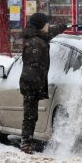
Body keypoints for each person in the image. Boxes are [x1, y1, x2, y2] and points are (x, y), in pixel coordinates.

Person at [19, 13, 67, 154]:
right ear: (41, 25)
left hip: (33, 83)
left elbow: (50, 33)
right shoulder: (35, 43)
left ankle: (27, 142)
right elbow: (31, 66)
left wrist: (63, 27)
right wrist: (34, 86)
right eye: (46, 23)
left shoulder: (38, 37)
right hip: (31, 84)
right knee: (30, 115)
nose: (48, 26)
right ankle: (26, 144)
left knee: (31, 115)